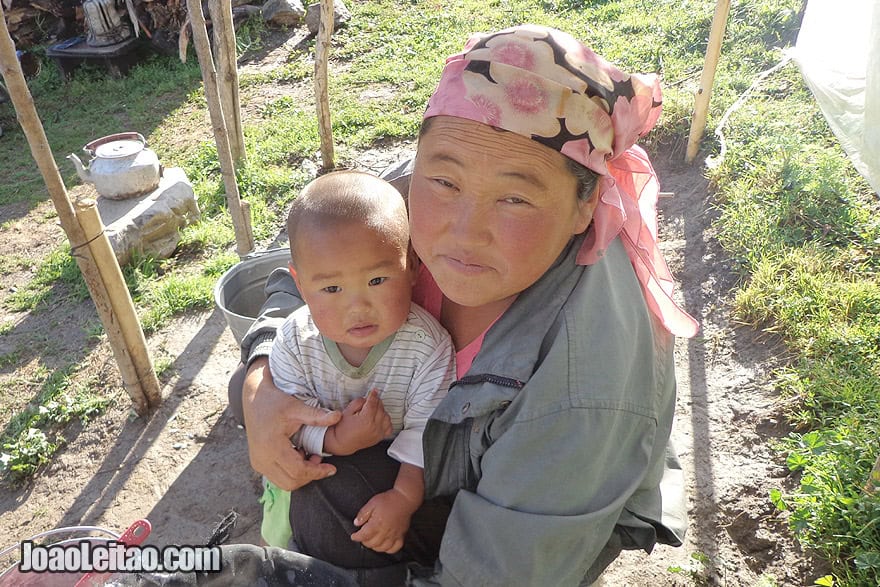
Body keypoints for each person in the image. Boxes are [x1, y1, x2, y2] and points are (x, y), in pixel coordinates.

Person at [230, 23, 700, 586]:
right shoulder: (419, 188)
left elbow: (499, 573)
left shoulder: (584, 382)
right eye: (444, 182)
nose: (463, 231)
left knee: (338, 498)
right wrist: (260, 390)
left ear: (585, 206)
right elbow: (306, 267)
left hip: (529, 516)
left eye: (515, 197)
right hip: (415, 450)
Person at [259, 171, 456, 555]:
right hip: (317, 460)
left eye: (378, 280)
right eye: (332, 288)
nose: (358, 306)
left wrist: (403, 497)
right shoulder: (296, 343)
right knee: (285, 533)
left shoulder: (428, 348)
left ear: (412, 266)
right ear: (300, 286)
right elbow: (286, 420)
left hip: (396, 471)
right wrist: (337, 439)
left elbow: (426, 435)